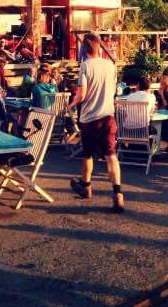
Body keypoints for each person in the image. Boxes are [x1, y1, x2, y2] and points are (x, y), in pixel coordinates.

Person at [67, 32, 126, 212]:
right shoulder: (110, 65)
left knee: (88, 154)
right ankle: (117, 193)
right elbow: (115, 90)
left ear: (84, 49)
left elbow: (82, 94)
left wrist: (71, 105)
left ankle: (86, 186)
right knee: (111, 155)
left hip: (89, 118)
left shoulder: (85, 66)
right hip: (108, 116)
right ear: (99, 47)